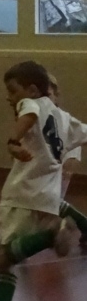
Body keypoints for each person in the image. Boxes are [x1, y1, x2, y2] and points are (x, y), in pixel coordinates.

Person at [0, 61, 87, 301]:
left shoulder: (31, 104)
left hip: (21, 194)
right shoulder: (64, 118)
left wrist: (13, 140)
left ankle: (51, 234)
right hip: (48, 199)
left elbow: (28, 113)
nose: (9, 97)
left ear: (33, 90)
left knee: (0, 258)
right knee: (7, 262)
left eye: (12, 91)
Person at [48, 72, 87, 248]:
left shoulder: (63, 121)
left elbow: (75, 147)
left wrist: (66, 171)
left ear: (56, 95)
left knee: (47, 204)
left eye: (47, 94)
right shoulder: (33, 118)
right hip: (39, 178)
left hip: (55, 175)